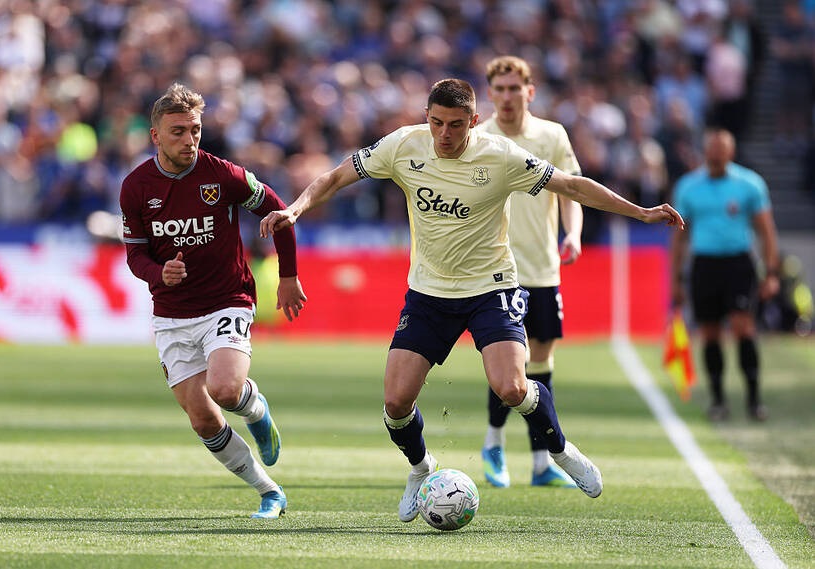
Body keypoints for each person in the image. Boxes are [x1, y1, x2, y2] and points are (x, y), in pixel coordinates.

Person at [260, 78, 683, 523]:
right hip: (428, 293)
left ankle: (561, 451)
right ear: (426, 117)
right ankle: (421, 468)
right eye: (437, 122)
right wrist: (295, 209)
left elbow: (571, 186)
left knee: (511, 387)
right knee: (396, 402)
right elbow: (334, 177)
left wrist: (640, 212)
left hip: (491, 288)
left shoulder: (500, 156)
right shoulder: (403, 145)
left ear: (474, 121)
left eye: (456, 125)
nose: (444, 134)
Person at [119, 83, 307, 519]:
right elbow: (135, 254)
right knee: (202, 419)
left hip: (227, 299)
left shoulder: (223, 175)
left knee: (224, 389)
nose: (189, 140)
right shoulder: (135, 187)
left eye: (195, 130)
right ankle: (269, 492)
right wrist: (158, 273)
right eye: (178, 132)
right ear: (156, 136)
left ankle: (254, 408)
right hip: (172, 314)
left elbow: (279, 212)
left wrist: (288, 276)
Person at [475, 56, 583, 490]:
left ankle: (541, 462)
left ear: (529, 92)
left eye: (513, 88)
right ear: (490, 94)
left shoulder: (551, 135)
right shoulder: (479, 137)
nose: (506, 97)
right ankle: (494, 443)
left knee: (541, 360)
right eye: (499, 89)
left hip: (543, 266)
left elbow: (571, 191)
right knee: (509, 361)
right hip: (498, 269)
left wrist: (573, 233)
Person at [670, 127, 779, 422]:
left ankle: (754, 399)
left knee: (743, 327)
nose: (716, 156)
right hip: (705, 265)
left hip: (738, 264)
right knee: (710, 332)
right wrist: (676, 278)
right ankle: (718, 400)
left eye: (722, 150)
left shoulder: (749, 184)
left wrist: (771, 272)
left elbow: (766, 231)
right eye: (712, 150)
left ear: (731, 152)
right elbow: (679, 238)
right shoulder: (688, 187)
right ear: (706, 152)